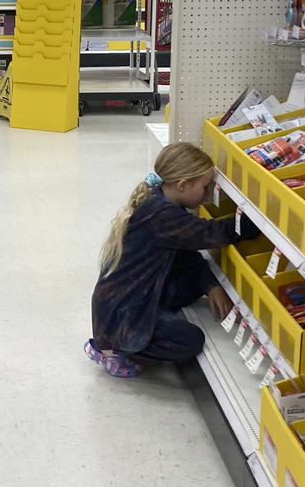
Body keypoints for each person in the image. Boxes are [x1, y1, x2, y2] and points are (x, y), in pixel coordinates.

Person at [87, 142, 259, 377]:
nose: (207, 194)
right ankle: (112, 350)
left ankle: (133, 331)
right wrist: (258, 220)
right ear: (182, 185)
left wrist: (211, 286)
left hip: (128, 299)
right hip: (120, 318)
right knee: (191, 340)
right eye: (205, 187)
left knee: (192, 283)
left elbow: (185, 253)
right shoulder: (163, 215)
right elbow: (213, 233)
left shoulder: (158, 201)